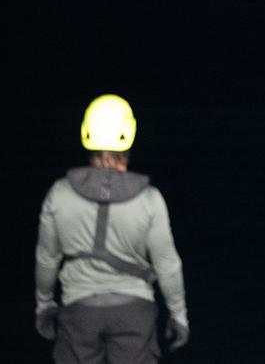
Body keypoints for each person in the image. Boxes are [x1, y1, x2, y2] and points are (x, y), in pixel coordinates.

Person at [35, 94, 190, 362]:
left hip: (78, 313)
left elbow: (47, 258)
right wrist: (178, 315)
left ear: (86, 133)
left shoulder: (58, 194)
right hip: (135, 314)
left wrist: (44, 304)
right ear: (130, 133)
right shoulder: (149, 199)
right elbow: (167, 264)